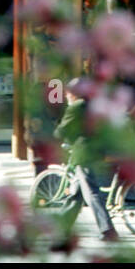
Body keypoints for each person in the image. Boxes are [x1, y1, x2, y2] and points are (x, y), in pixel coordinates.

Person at [53, 78, 118, 240]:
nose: (66, 96)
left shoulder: (77, 107)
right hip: (96, 150)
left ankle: (108, 230)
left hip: (84, 153)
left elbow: (63, 130)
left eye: (68, 93)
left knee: (91, 192)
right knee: (75, 193)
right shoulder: (93, 104)